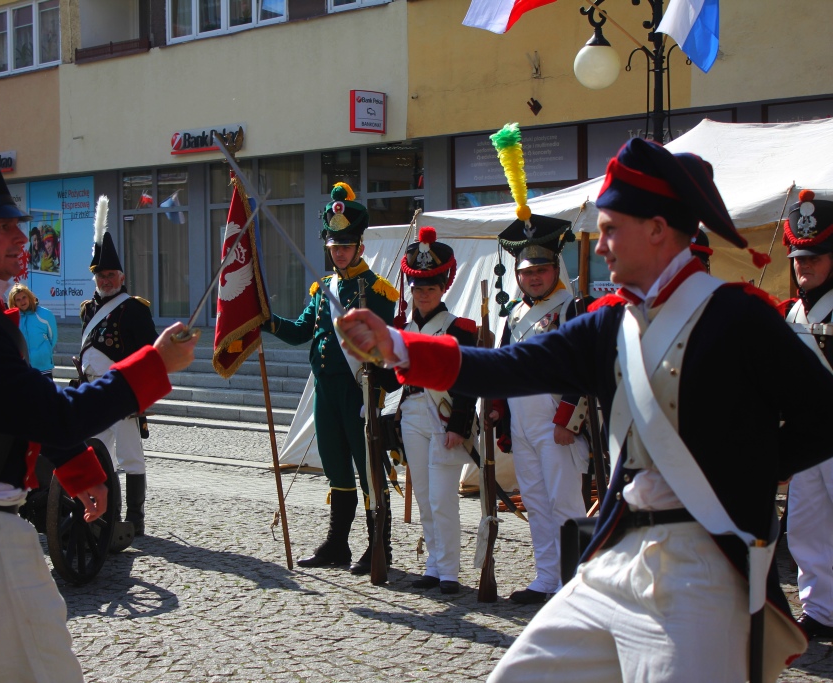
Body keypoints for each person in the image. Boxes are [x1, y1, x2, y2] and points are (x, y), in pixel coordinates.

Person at [339, 137, 831, 682]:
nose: (600, 247)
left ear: (658, 230)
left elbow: (825, 417)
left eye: (612, 228)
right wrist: (401, 348)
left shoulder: (740, 320)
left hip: (705, 563)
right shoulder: (608, 325)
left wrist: (747, 473)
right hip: (619, 554)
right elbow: (511, 366)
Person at [0, 138, 194, 682]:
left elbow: (12, 411)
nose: (20, 237)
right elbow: (49, 414)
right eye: (0, 226)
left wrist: (79, 470)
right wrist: (154, 366)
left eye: (17, 224)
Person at [265, 182, 399, 575]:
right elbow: (301, 331)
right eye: (333, 247)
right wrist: (267, 321)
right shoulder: (324, 289)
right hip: (324, 392)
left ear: (359, 246)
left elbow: (385, 344)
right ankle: (337, 544)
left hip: (359, 390)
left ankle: (380, 546)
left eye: (345, 246)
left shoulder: (377, 290)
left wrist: (374, 389)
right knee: (336, 467)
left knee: (368, 470)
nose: (338, 253)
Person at [489, 214, 590, 605]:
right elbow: (505, 365)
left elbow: (584, 370)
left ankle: (575, 581)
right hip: (523, 424)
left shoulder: (571, 308)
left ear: (555, 269)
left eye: (541, 270)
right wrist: (499, 412)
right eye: (526, 271)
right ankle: (547, 576)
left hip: (556, 424)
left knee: (565, 503)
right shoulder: (514, 314)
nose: (533, 277)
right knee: (534, 502)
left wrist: (569, 419)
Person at [397, 226, 476, 594]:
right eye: (418, 288)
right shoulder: (403, 327)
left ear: (443, 288)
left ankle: (450, 572)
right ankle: (433, 564)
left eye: (430, 288)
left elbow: (466, 384)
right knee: (425, 497)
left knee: (443, 498)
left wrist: (458, 424)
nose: (423, 294)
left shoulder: (459, 329)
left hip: (444, 418)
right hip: (413, 412)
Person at [79, 196, 158, 537]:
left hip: (123, 392)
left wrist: (140, 394)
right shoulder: (87, 310)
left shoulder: (135, 309)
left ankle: (135, 518)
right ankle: (102, 513)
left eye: (111, 274)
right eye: (101, 275)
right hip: (94, 393)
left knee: (131, 458)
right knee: (95, 455)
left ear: (121, 276)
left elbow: (150, 354)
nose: (106, 280)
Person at [780, 189, 833, 641]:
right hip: (806, 438)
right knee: (806, 526)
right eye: (800, 258)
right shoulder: (792, 311)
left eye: (815, 258)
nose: (805, 266)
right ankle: (820, 610)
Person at [8, 283, 58, 379]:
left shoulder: (45, 314)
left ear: (29, 296)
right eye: (18, 300)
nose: (22, 301)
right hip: (23, 366)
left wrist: (44, 351)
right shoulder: (13, 319)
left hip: (43, 366)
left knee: (45, 394)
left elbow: (53, 337)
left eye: (24, 297)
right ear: (14, 302)